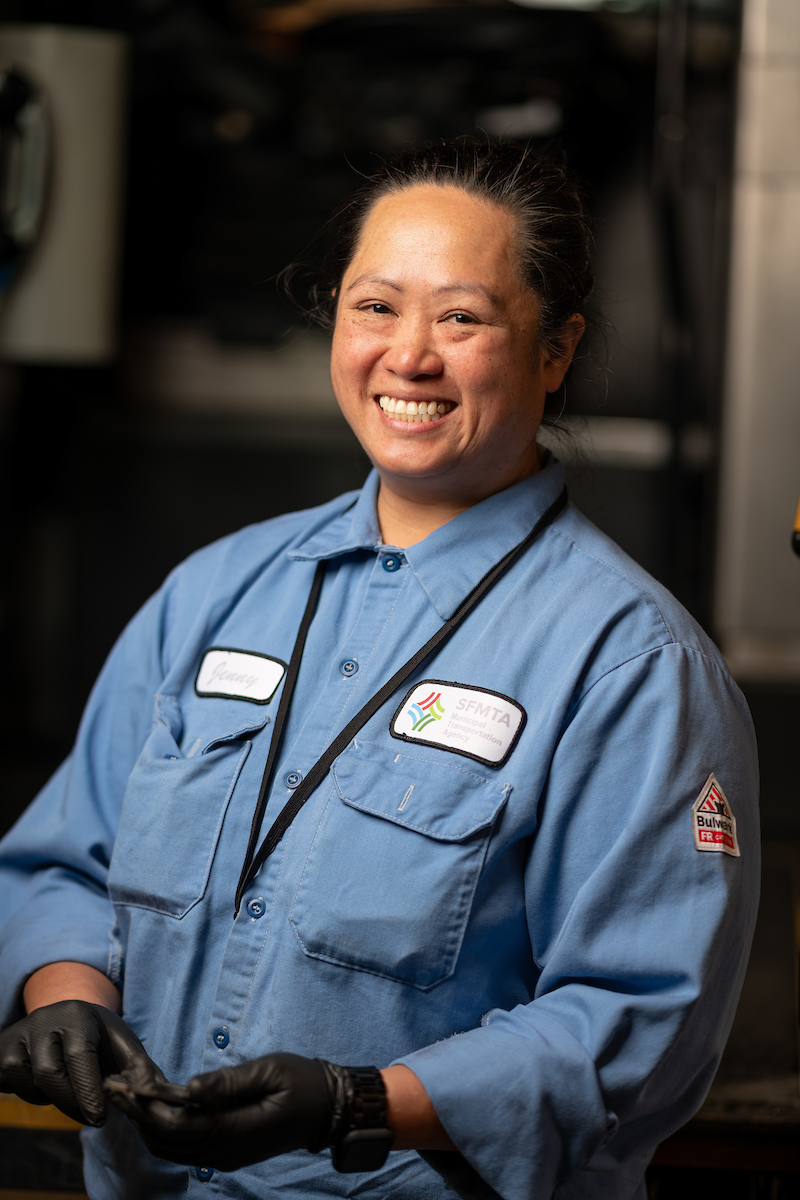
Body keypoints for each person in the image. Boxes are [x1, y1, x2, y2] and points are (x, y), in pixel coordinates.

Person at [0, 140, 759, 1200]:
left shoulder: (629, 662)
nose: (408, 356)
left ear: (554, 348)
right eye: (374, 308)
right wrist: (66, 997)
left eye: (461, 317)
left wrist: (362, 1102)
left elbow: (638, 1019)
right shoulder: (215, 592)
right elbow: (64, 862)